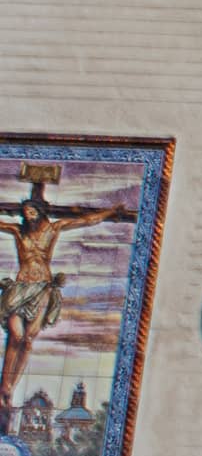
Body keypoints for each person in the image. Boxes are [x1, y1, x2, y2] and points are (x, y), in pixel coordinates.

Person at [0, 181, 138, 435]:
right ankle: (5, 386)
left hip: (42, 289)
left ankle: (11, 386)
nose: (27, 216)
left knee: (28, 339)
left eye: (32, 211)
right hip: (20, 289)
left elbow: (85, 221)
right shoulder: (18, 232)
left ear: (40, 212)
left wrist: (111, 212)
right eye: (25, 212)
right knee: (16, 335)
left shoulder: (54, 229)